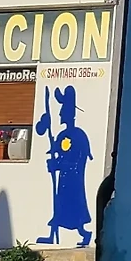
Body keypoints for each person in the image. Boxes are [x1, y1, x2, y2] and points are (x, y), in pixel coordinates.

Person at [38, 86, 92, 248]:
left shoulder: (78, 136)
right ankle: (52, 234)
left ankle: (84, 233)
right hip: (64, 180)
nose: (60, 115)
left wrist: (59, 165)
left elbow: (77, 159)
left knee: (73, 206)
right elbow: (57, 152)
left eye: (63, 113)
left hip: (73, 179)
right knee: (61, 205)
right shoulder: (62, 135)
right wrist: (54, 164)